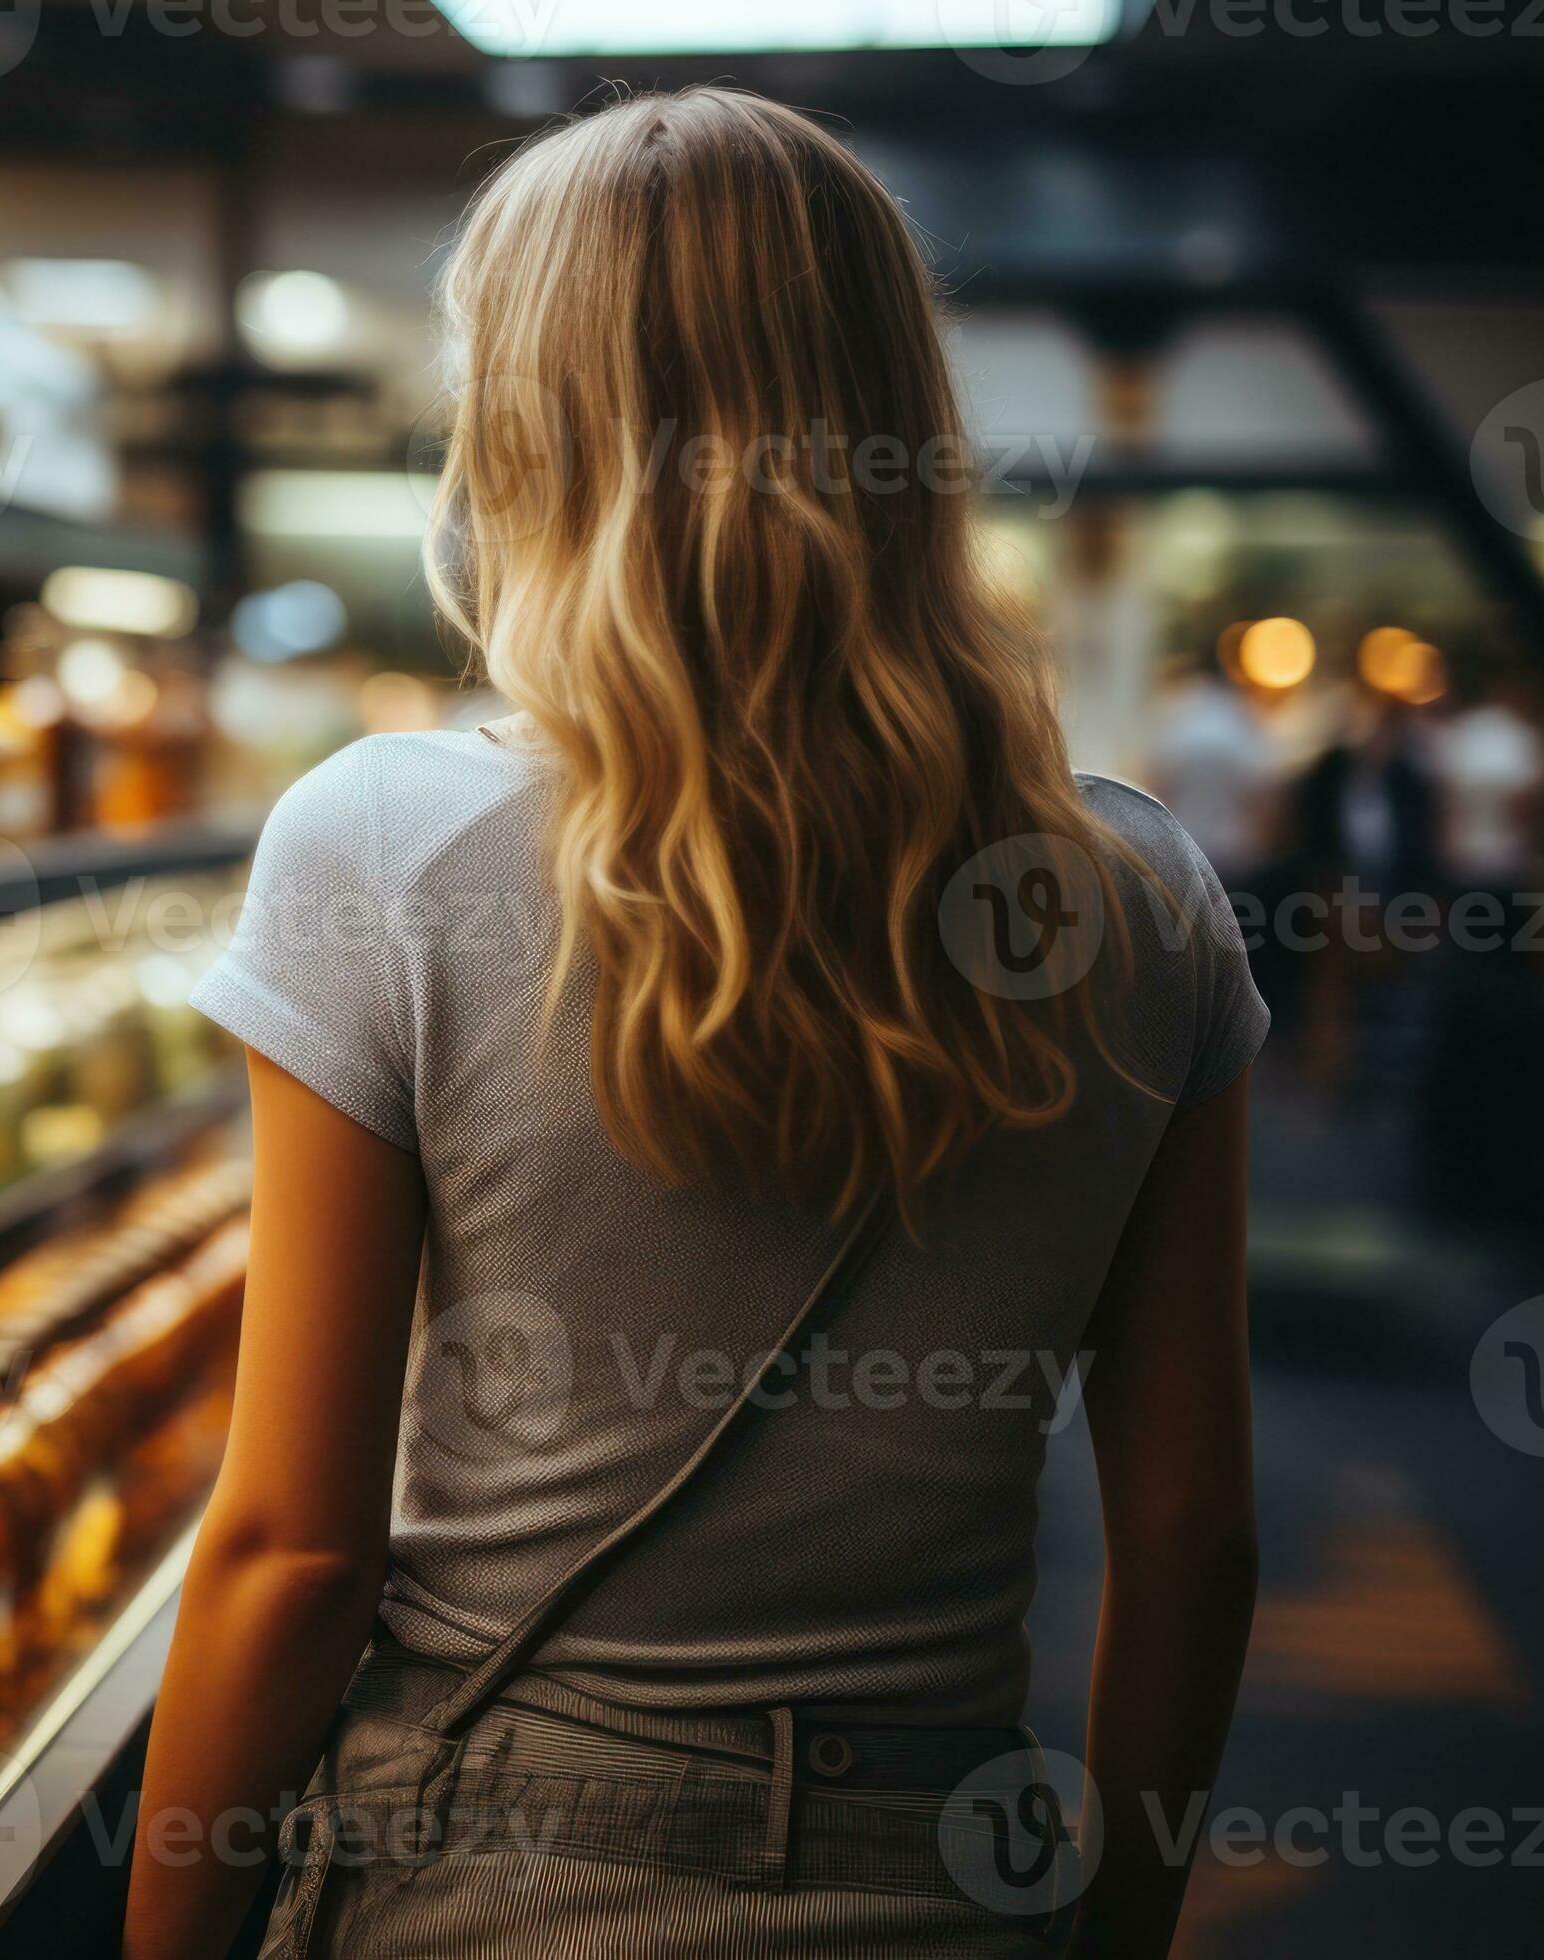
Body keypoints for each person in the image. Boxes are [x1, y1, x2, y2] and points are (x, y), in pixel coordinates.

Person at [128, 89, 1265, 1960]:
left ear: (528, 419)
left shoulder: (383, 847)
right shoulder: (1138, 901)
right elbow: (1194, 1536)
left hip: (490, 1878)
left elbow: (293, 1554)